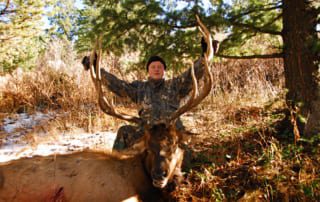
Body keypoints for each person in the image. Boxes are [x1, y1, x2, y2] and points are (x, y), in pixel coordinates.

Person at [82, 38, 218, 150]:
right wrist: (96, 67)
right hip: (147, 131)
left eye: (160, 67)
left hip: (169, 129)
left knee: (184, 146)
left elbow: (192, 74)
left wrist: (204, 56)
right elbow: (118, 85)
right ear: (148, 71)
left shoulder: (175, 85)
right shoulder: (139, 88)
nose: (157, 69)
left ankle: (184, 174)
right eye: (153, 67)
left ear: (164, 71)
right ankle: (117, 168)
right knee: (124, 132)